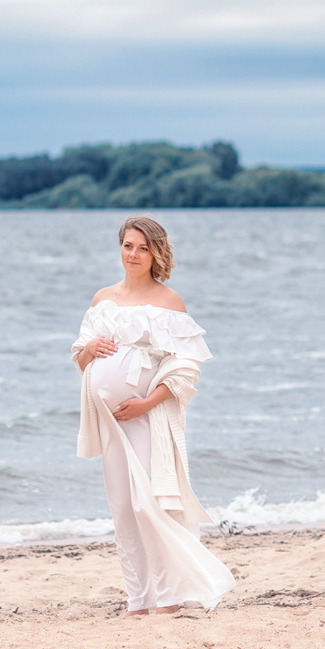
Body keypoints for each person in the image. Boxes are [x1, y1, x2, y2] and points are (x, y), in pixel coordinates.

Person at [71, 215, 236, 616]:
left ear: (156, 253)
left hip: (148, 418)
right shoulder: (102, 299)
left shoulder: (169, 302)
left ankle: (169, 598)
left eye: (143, 248)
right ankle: (138, 600)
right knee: (124, 508)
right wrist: (90, 348)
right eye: (128, 245)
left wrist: (145, 404)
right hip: (110, 421)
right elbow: (81, 361)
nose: (134, 254)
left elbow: (186, 371)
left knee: (152, 505)